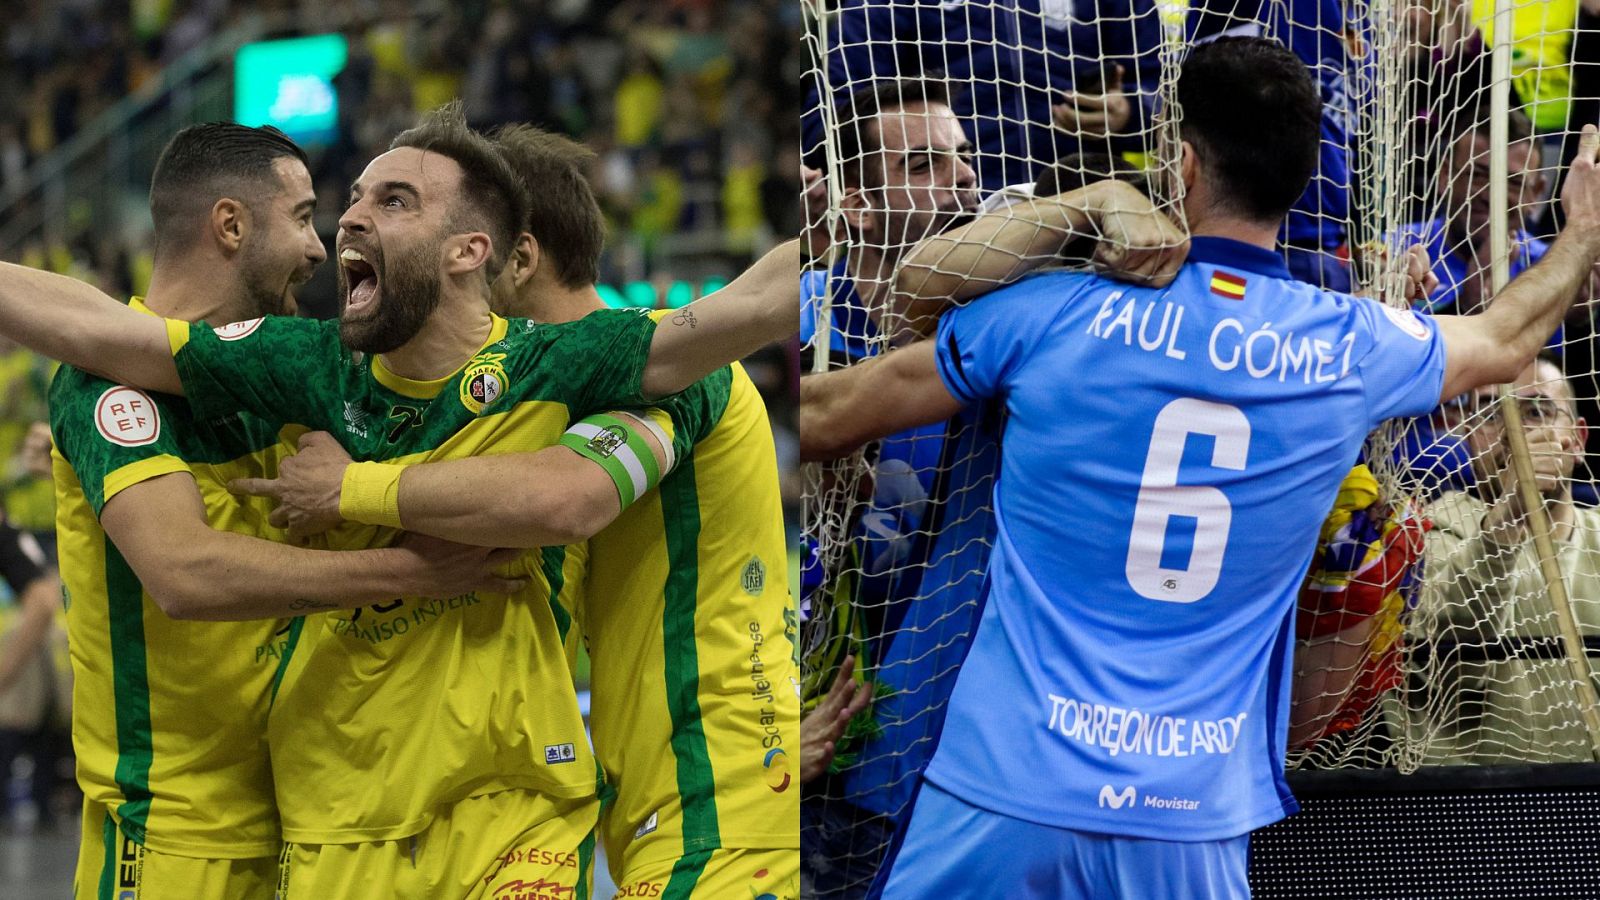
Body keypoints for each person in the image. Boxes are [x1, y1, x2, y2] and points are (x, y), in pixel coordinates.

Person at [800, 36, 1600, 897]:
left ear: (1179, 164)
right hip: (1190, 823)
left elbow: (836, 405)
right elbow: (1507, 336)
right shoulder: (1348, 347)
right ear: (1300, 186)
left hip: (1006, 798)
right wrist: (1582, 224)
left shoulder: (1054, 312)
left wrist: (1093, 200)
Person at [0, 105, 797, 898]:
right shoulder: (308, 366)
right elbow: (119, 341)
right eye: (342, 203)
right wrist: (410, 567)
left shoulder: (558, 362)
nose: (341, 226)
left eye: (393, 201)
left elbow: (731, 319)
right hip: (298, 824)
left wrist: (849, 235)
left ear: (472, 249)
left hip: (518, 818)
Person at [243, 122, 802, 899]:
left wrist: (349, 487)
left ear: (509, 255)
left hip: (720, 802)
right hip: (649, 806)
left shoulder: (664, 378)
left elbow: (561, 497)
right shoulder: (533, 408)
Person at [42, 122, 523, 900]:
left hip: (303, 825)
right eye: (302, 217)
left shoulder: (285, 372)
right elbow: (184, 574)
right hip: (172, 834)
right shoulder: (104, 385)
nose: (318, 248)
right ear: (231, 225)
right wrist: (408, 572)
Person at [1396, 356, 1600, 764]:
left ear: (1577, 440)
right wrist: (1509, 517)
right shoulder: (1433, 528)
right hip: (1479, 803)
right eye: (1491, 415)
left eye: (1537, 411)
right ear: (1469, 438)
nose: (1512, 432)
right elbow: (1454, 671)